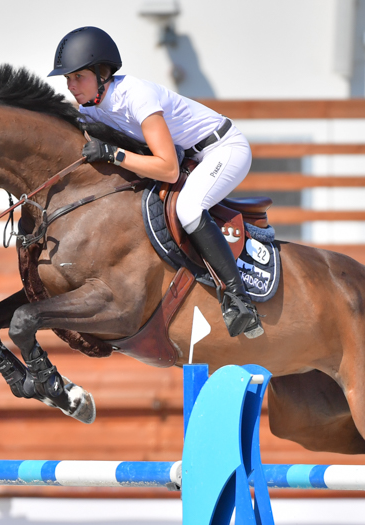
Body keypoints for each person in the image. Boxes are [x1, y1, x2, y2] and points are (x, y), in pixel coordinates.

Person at [49, 26, 263, 339]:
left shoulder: (136, 96)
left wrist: (113, 154)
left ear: (102, 73)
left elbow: (168, 169)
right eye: (67, 79)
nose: (71, 86)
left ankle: (238, 300)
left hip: (223, 148)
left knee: (189, 208)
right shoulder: (92, 107)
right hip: (191, 156)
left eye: (78, 77)